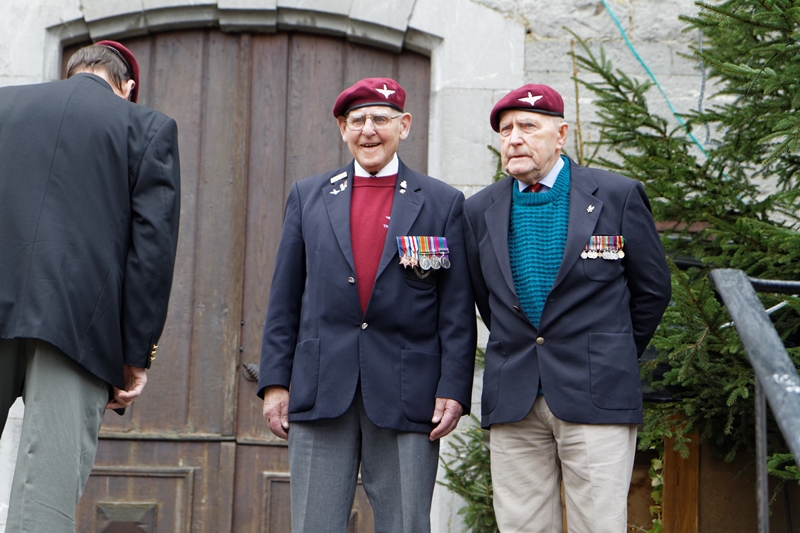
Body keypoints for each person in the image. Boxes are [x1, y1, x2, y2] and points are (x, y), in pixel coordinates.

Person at [258, 77, 476, 533]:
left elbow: (456, 309)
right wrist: (276, 382)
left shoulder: (442, 202)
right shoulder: (309, 196)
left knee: (406, 523)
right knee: (314, 524)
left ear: (405, 125)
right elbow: (284, 299)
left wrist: (453, 387)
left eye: (380, 118)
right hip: (320, 387)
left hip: (408, 391)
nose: (368, 130)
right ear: (342, 129)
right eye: (356, 120)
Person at [463, 83, 671, 533]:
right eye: (505, 129)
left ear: (561, 135)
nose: (514, 138)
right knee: (521, 527)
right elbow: (488, 299)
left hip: (598, 393)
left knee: (598, 525)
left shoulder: (617, 195)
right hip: (515, 394)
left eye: (528, 127)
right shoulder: (479, 210)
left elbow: (652, 290)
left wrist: (607, 353)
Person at [0, 41, 181, 531]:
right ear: (128, 87)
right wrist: (135, 354)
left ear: (71, 72)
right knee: (46, 496)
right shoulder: (146, 127)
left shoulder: (4, 107)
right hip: (78, 325)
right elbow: (152, 253)